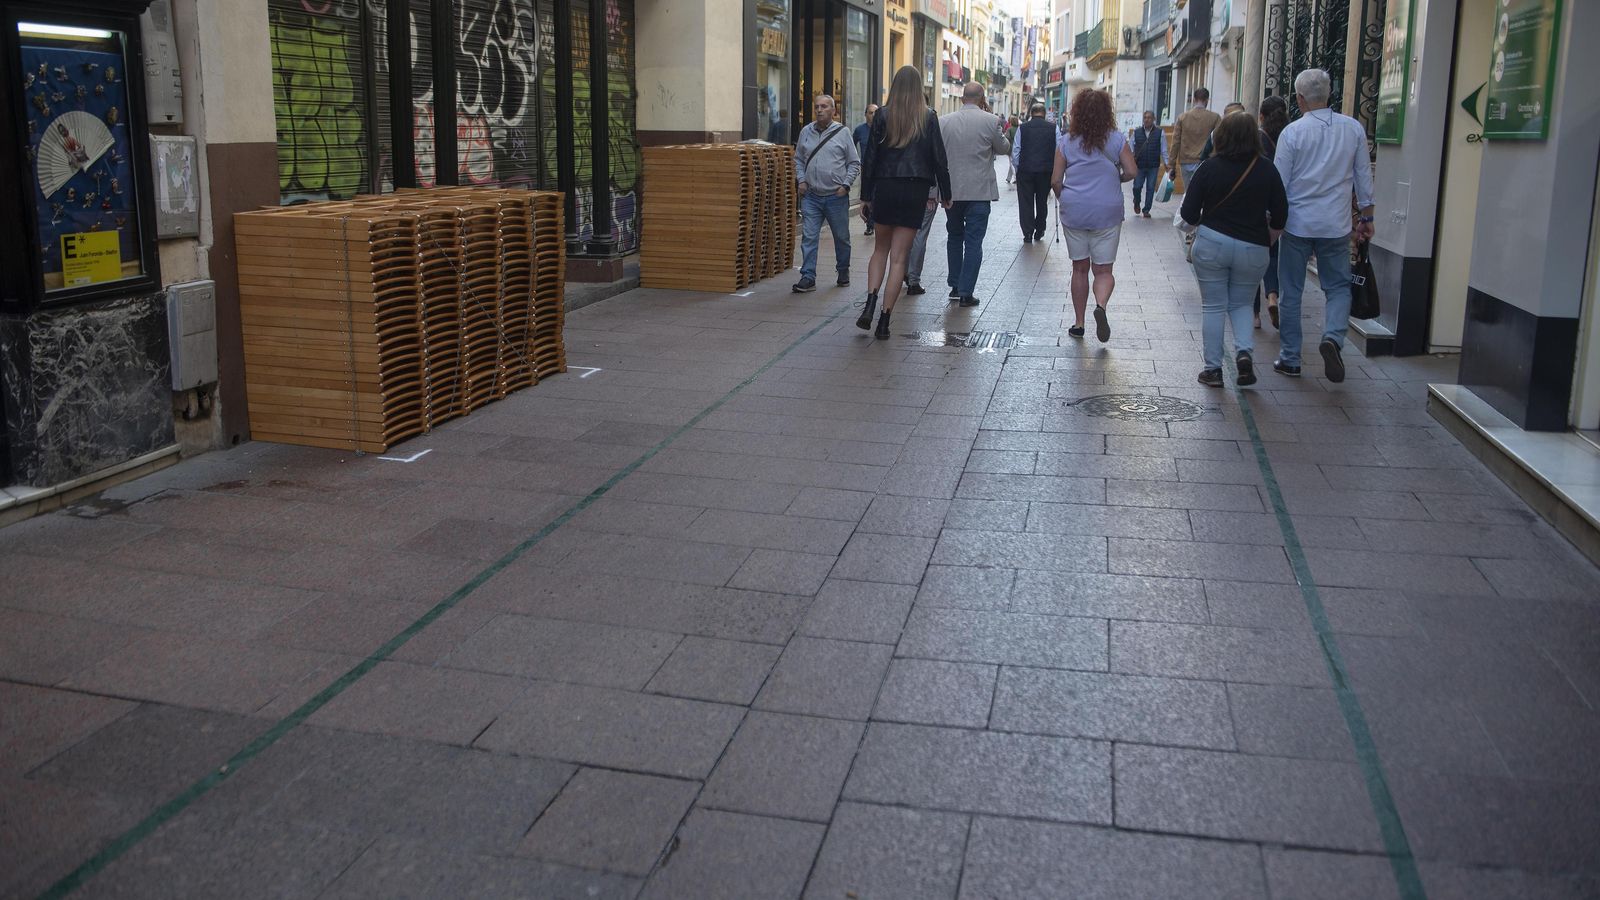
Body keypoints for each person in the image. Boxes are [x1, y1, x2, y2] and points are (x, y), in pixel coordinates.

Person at [1272, 68, 1375, 383]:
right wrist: (1367, 218)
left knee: (1291, 291)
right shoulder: (1353, 128)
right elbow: (1363, 176)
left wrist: (1272, 222)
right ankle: (1332, 337)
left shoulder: (1292, 133)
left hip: (1297, 224)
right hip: (1335, 224)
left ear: (1300, 99)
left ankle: (1290, 358)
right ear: (1329, 94)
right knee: (1338, 287)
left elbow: (1278, 183)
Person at [1180, 111, 1288, 388]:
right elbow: (1281, 214)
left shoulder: (1209, 168)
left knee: (1213, 306)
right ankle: (1243, 353)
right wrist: (1268, 239)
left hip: (1212, 244)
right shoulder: (1266, 169)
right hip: (1253, 246)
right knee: (1242, 303)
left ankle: (1213, 370)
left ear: (1222, 136)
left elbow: (1189, 213)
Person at [860, 65, 953, 339]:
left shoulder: (882, 115)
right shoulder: (929, 117)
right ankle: (884, 321)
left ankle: (869, 304)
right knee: (900, 258)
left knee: (880, 250)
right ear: (919, 87)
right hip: (915, 190)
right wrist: (946, 193)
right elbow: (939, 159)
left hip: (886, 187)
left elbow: (870, 158)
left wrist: (865, 195)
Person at [1051, 89, 1136, 342]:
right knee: (1103, 270)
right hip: (1107, 211)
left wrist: (1066, 198)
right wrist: (1117, 178)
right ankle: (1100, 305)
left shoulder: (1066, 141)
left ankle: (1079, 324)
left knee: (1079, 268)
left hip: (1075, 210)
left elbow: (1055, 180)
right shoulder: (1117, 139)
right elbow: (1132, 171)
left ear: (1077, 113)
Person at [939, 82, 1010, 308]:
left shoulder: (944, 121)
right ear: (983, 98)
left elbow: (938, 156)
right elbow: (1003, 148)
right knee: (973, 242)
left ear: (962, 98)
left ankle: (954, 285)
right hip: (979, 192)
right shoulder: (991, 120)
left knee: (954, 236)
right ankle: (966, 292)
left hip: (952, 191)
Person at [791, 94, 861, 293]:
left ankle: (843, 270)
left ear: (833, 111)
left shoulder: (843, 132)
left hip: (835, 197)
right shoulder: (806, 131)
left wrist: (845, 185)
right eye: (817, 107)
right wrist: (801, 180)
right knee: (809, 237)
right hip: (811, 196)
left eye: (824, 106)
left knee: (841, 237)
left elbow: (854, 162)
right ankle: (808, 277)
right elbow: (798, 159)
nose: (819, 110)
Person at [1255, 94, 1291, 329]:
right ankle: (1273, 297)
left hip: (1258, 206)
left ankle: (1255, 316)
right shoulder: (1289, 136)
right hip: (1282, 205)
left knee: (1253, 260)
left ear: (1261, 116)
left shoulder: (1257, 139)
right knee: (1273, 254)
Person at [1011, 102, 1056, 242]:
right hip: (1045, 171)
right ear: (1044, 114)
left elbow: (1016, 150)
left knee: (1025, 202)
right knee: (1042, 201)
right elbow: (1059, 150)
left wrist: (1018, 168)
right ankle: (1040, 229)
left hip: (1026, 170)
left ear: (1031, 114)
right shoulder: (1053, 128)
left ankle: (1028, 232)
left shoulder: (1022, 128)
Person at [1169, 87, 1220, 191]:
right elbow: (1219, 140)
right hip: (1206, 160)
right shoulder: (1215, 117)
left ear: (1194, 99)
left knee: (1188, 192)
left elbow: (1176, 142)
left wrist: (1172, 165)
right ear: (1207, 100)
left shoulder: (1182, 117)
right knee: (1204, 192)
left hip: (1186, 160)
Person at [1128, 110, 1167, 219]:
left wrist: (1167, 164)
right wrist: (1130, 161)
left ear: (1154, 119)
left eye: (1149, 117)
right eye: (1145, 117)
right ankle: (1136, 201)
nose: (1146, 119)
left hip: (1153, 166)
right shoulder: (1136, 132)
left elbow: (1164, 150)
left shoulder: (1160, 133)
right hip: (1139, 165)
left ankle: (1146, 210)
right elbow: (1130, 149)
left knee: (1150, 188)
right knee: (1137, 186)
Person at [854, 103, 879, 235]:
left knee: (877, 196)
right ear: (865, 115)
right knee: (867, 195)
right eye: (870, 112)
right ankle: (869, 224)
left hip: (880, 169)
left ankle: (877, 222)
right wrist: (856, 162)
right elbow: (851, 146)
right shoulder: (860, 130)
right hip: (866, 169)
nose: (873, 115)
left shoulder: (883, 129)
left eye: (875, 113)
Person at [1004, 114, 1021, 183]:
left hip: (1011, 148)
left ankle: (1016, 178)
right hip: (1019, 147)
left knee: (1012, 163)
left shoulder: (1010, 129)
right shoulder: (1020, 128)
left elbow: (1006, 137)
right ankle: (1008, 178)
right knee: (1013, 163)